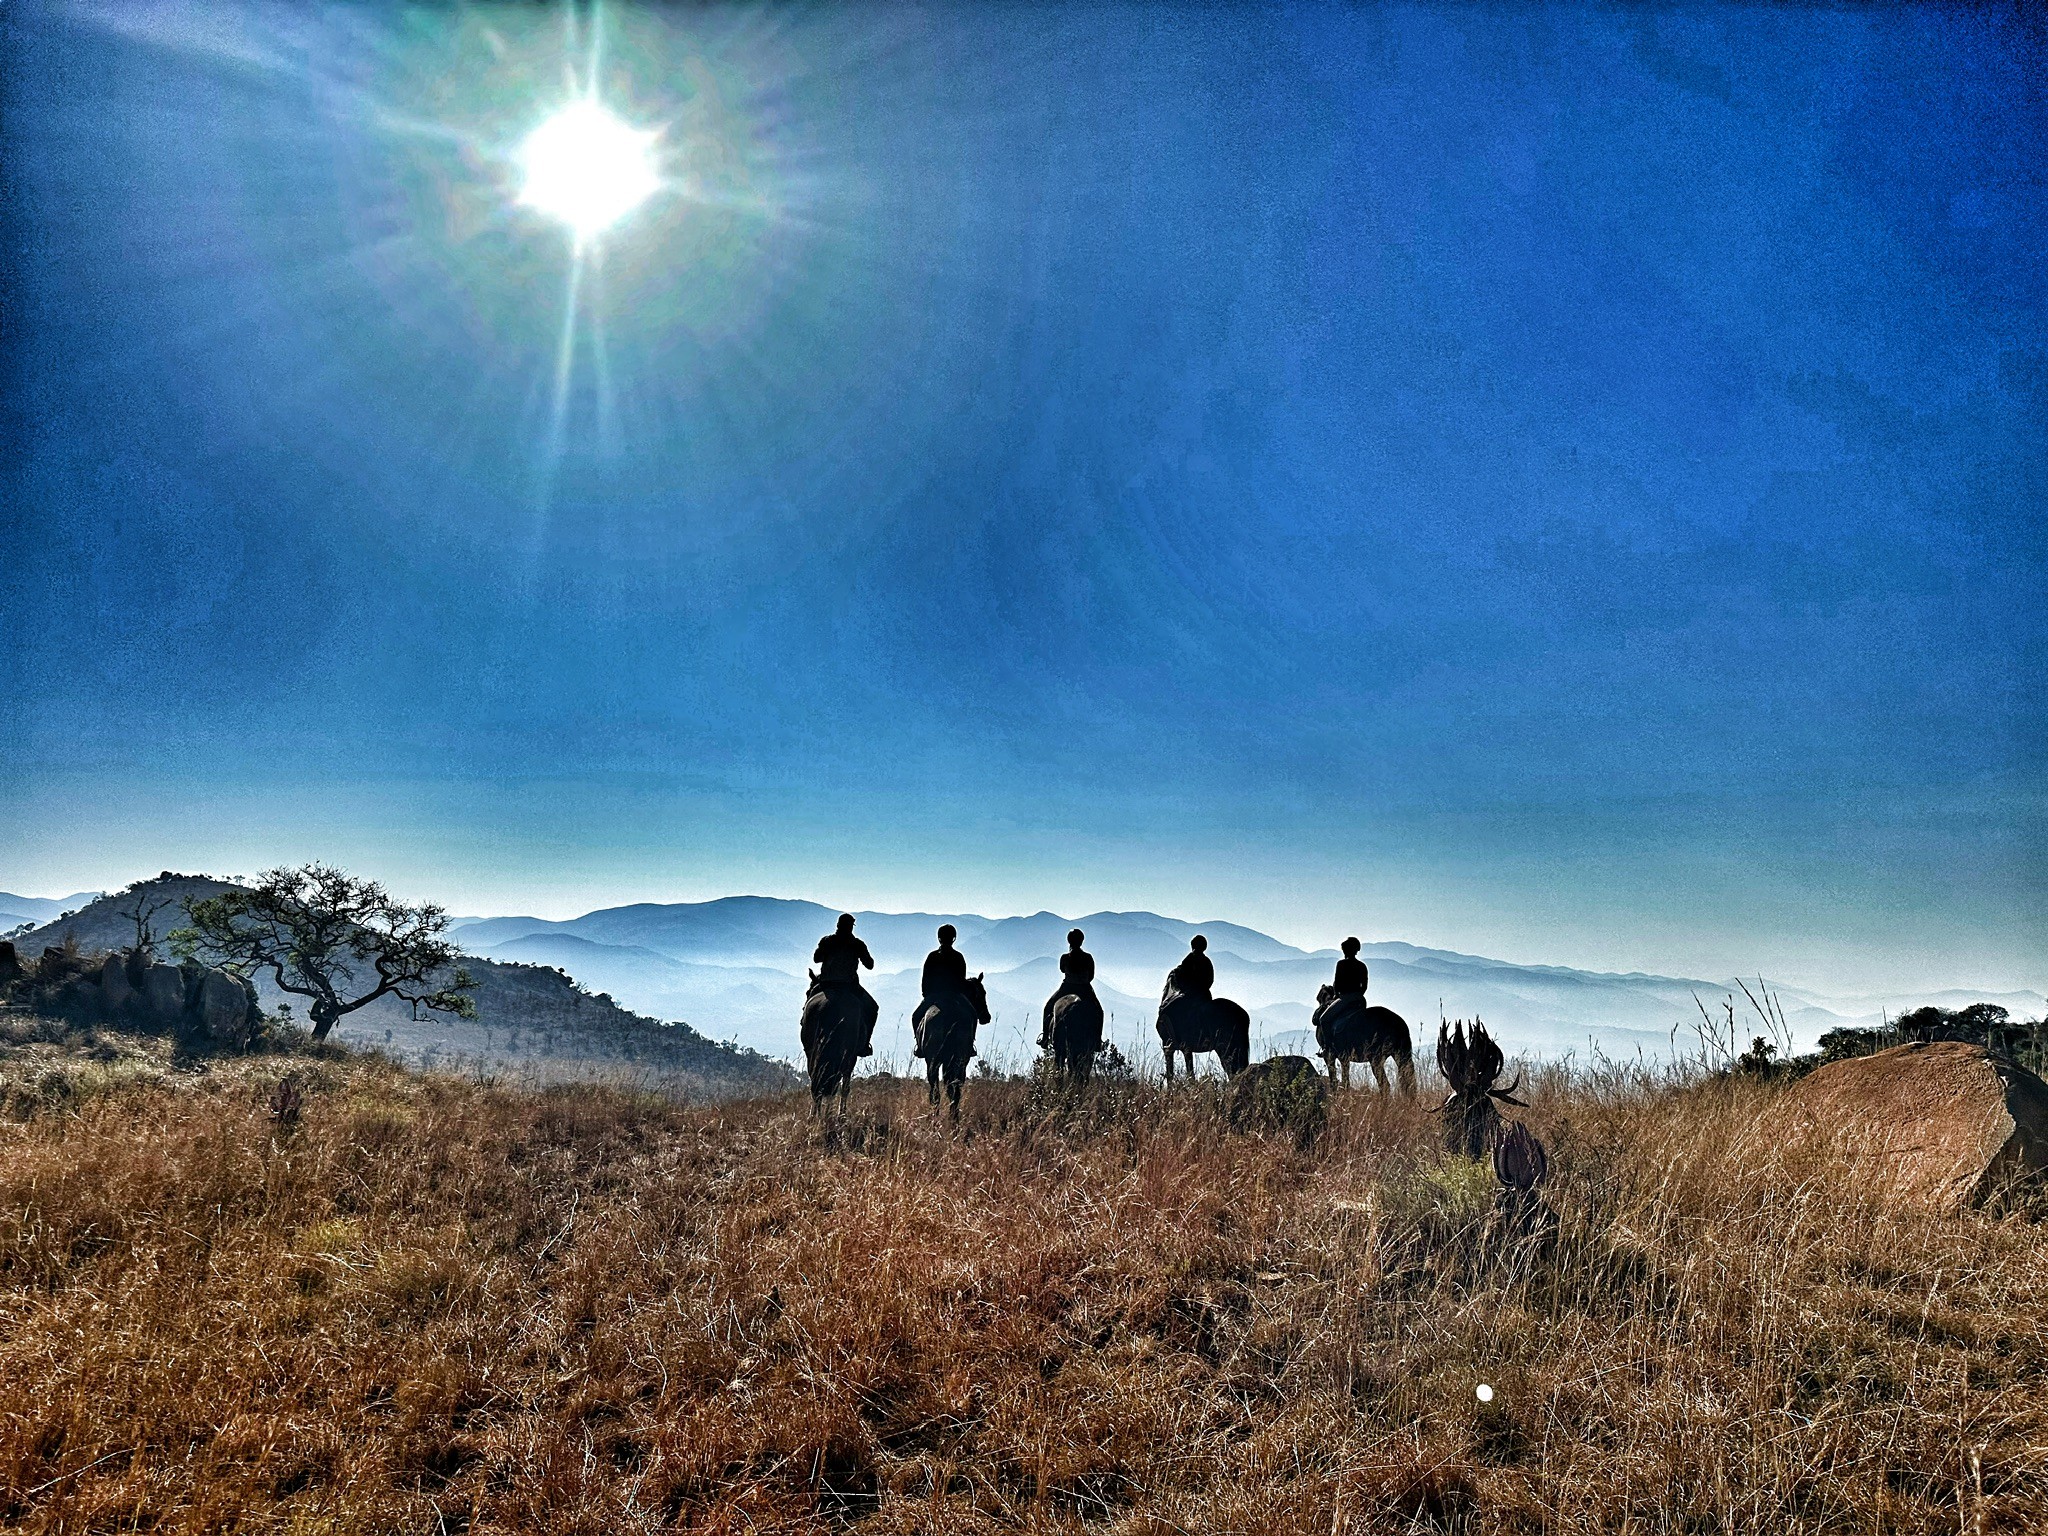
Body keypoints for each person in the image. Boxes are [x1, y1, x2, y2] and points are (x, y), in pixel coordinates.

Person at [811, 913, 880, 1055]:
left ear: (837, 925)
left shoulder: (827, 941)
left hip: (826, 984)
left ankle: (807, 1027)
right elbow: (870, 965)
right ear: (851, 927)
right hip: (849, 987)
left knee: (810, 999)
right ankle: (864, 1044)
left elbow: (816, 959)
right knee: (872, 1008)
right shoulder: (857, 944)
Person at [914, 924, 971, 1057]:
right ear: (954, 938)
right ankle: (969, 1045)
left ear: (939, 938)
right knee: (971, 1015)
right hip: (954, 996)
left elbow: (925, 979)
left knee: (916, 1016)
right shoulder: (958, 957)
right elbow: (961, 980)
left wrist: (927, 995)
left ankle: (920, 1045)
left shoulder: (932, 956)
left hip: (934, 997)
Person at [1040, 928, 1097, 1047]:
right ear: (1081, 941)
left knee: (1048, 1007)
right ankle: (1097, 1040)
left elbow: (1062, 969)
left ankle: (1045, 1037)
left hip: (1066, 988)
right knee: (1098, 1011)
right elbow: (1091, 975)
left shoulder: (1065, 957)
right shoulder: (1088, 957)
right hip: (1084, 989)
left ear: (1069, 941)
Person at [1313, 936, 1369, 1030]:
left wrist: (1336, 995)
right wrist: (1358, 995)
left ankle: (1329, 1044)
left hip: (1345, 999)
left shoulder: (1341, 964)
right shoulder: (1362, 966)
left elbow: (1338, 984)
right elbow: (1364, 986)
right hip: (1360, 1000)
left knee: (1323, 1020)